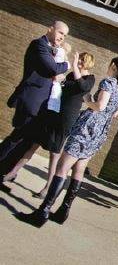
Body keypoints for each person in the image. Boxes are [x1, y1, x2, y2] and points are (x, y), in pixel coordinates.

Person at [16, 57, 118, 227]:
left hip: (87, 129)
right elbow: (113, 114)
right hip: (99, 133)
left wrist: (87, 100)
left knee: (62, 168)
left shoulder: (108, 82)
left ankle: (43, 211)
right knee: (79, 170)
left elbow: (100, 106)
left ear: (113, 66)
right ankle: (63, 211)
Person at [4, 52, 95, 199]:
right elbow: (62, 89)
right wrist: (59, 80)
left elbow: (82, 87)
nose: (79, 62)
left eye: (82, 61)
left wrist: (75, 66)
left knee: (54, 155)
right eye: (79, 60)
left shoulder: (89, 79)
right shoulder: (72, 75)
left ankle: (47, 188)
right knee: (33, 144)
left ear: (88, 63)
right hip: (53, 113)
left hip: (66, 119)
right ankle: (12, 172)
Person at [0, 21, 70, 193]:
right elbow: (51, 68)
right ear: (50, 29)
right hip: (31, 100)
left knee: (25, 142)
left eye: (65, 35)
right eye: (60, 32)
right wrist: (67, 64)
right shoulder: (39, 45)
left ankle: (3, 173)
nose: (62, 37)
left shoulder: (52, 50)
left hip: (41, 105)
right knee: (16, 138)